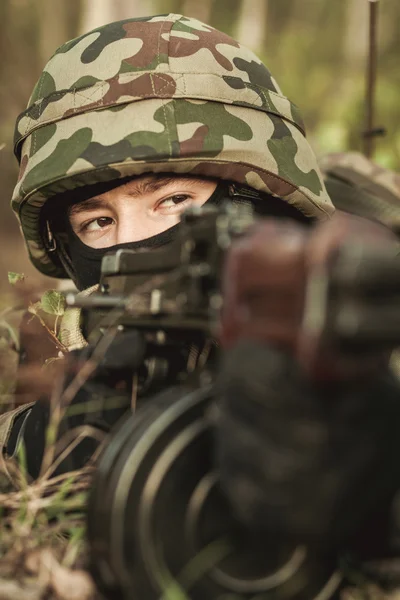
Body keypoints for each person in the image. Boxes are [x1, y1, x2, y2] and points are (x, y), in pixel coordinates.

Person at [2, 13, 400, 596]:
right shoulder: (58, 358)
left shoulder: (361, 299)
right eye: (98, 221)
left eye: (176, 200)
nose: (128, 245)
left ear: (265, 203)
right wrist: (36, 444)